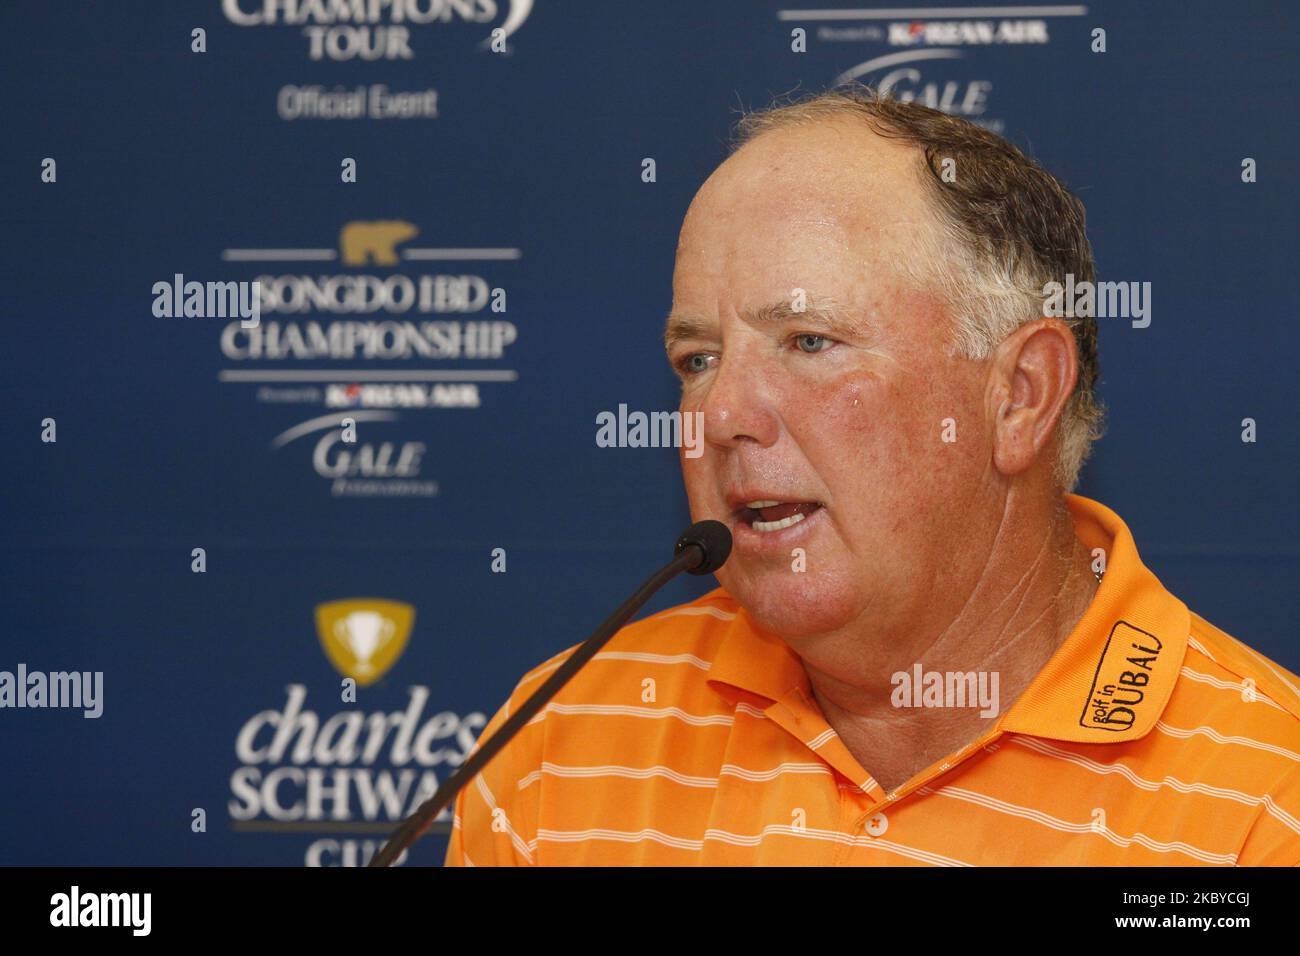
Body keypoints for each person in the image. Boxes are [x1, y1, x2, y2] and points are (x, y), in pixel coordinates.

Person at [445, 87, 1300, 866]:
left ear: (1019, 397)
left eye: (809, 342)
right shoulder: (565, 736)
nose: (721, 413)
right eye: (697, 357)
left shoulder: (1268, 799)